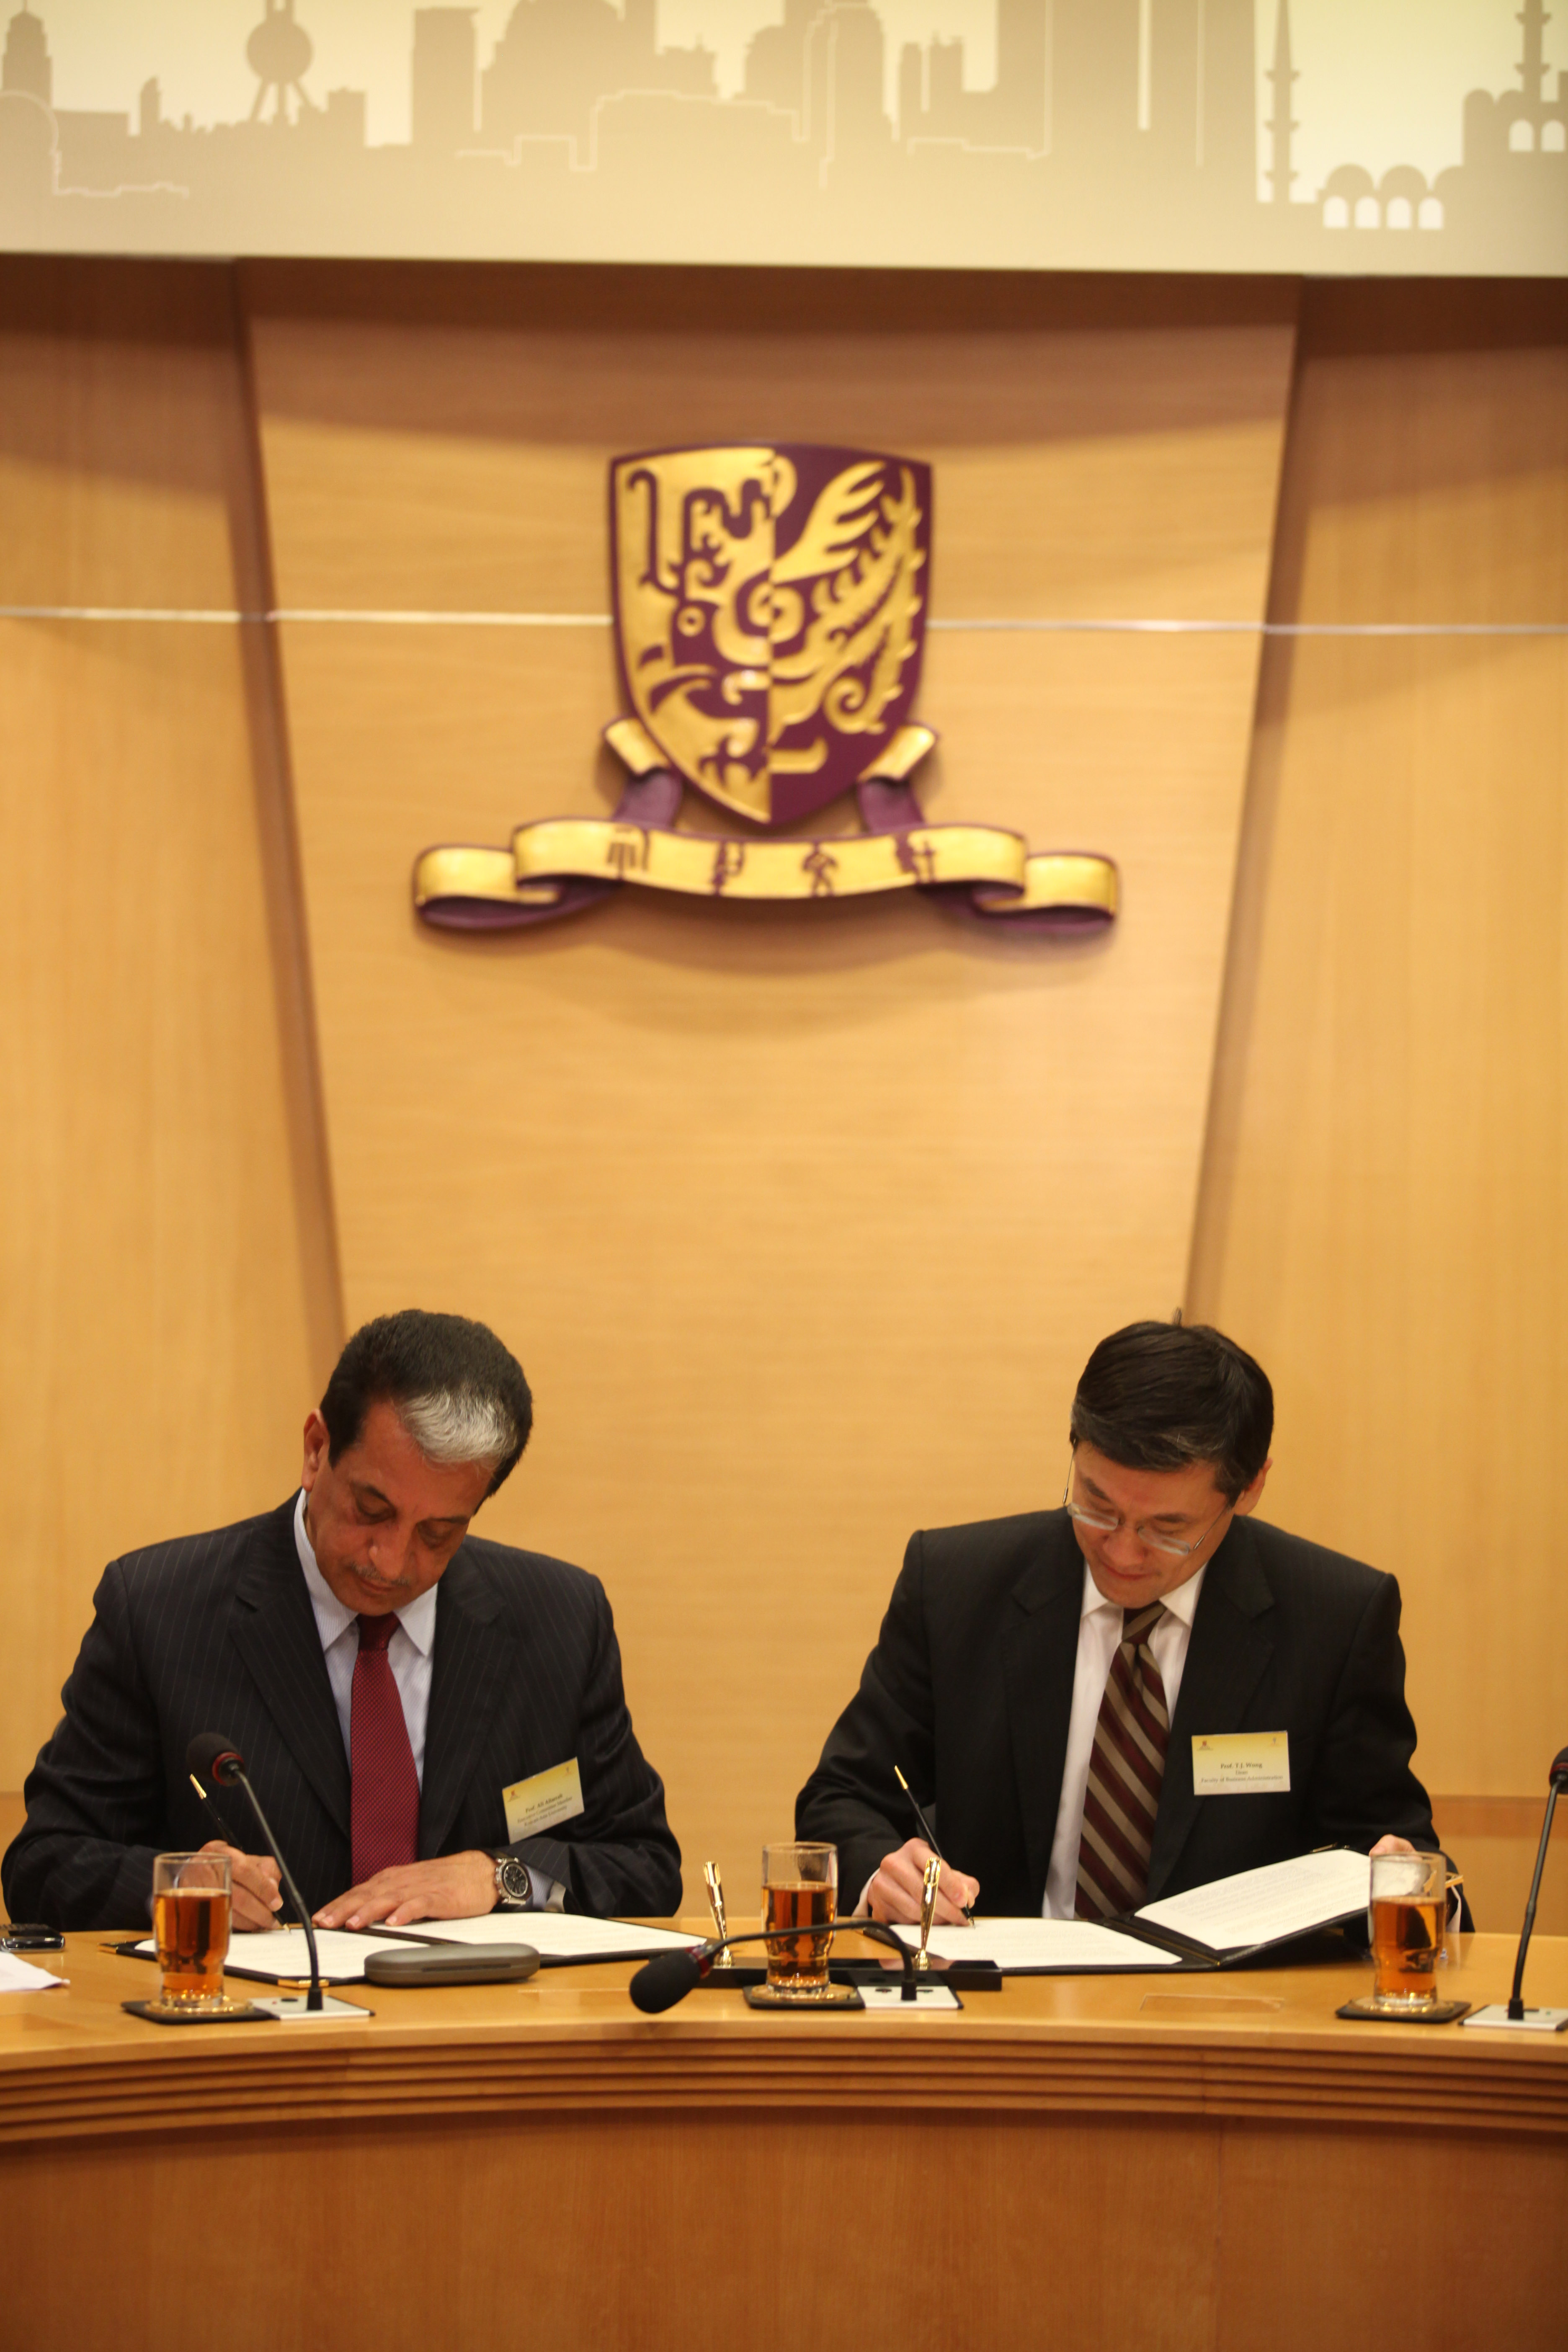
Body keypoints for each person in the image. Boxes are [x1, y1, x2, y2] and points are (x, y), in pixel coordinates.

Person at [4, 1310, 681, 1932]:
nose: (392, 1561)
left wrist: (499, 1876)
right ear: (316, 1448)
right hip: (251, 2046)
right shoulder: (159, 1608)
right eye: (372, 1509)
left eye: (439, 1533)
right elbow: (44, 1863)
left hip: (478, 2044)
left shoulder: (558, 1619)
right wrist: (177, 1883)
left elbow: (646, 1866)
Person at [796, 1320, 1452, 1926]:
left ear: (1249, 1489)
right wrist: (884, 1873)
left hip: (1231, 2020)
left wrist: (1404, 1883)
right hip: (996, 2007)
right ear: (1075, 1450)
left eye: (1168, 1529)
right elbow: (844, 1796)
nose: (1121, 1551)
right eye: (1096, 1505)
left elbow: (1396, 1851)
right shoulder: (956, 1586)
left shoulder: (1334, 1619)